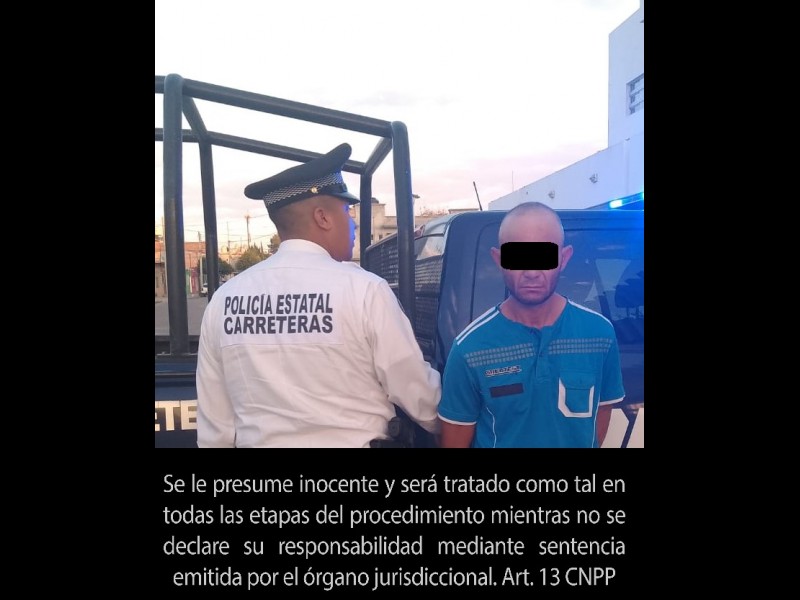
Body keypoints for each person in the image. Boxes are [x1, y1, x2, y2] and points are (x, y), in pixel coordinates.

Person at [195, 143, 441, 448]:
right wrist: (457, 417)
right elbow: (417, 393)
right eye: (346, 211)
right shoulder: (364, 290)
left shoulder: (224, 300)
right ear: (323, 218)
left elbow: (215, 429)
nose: (353, 222)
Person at [437, 202, 624, 448]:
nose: (532, 271)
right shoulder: (469, 349)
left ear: (564, 258)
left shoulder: (600, 334)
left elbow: (597, 423)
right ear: (499, 259)